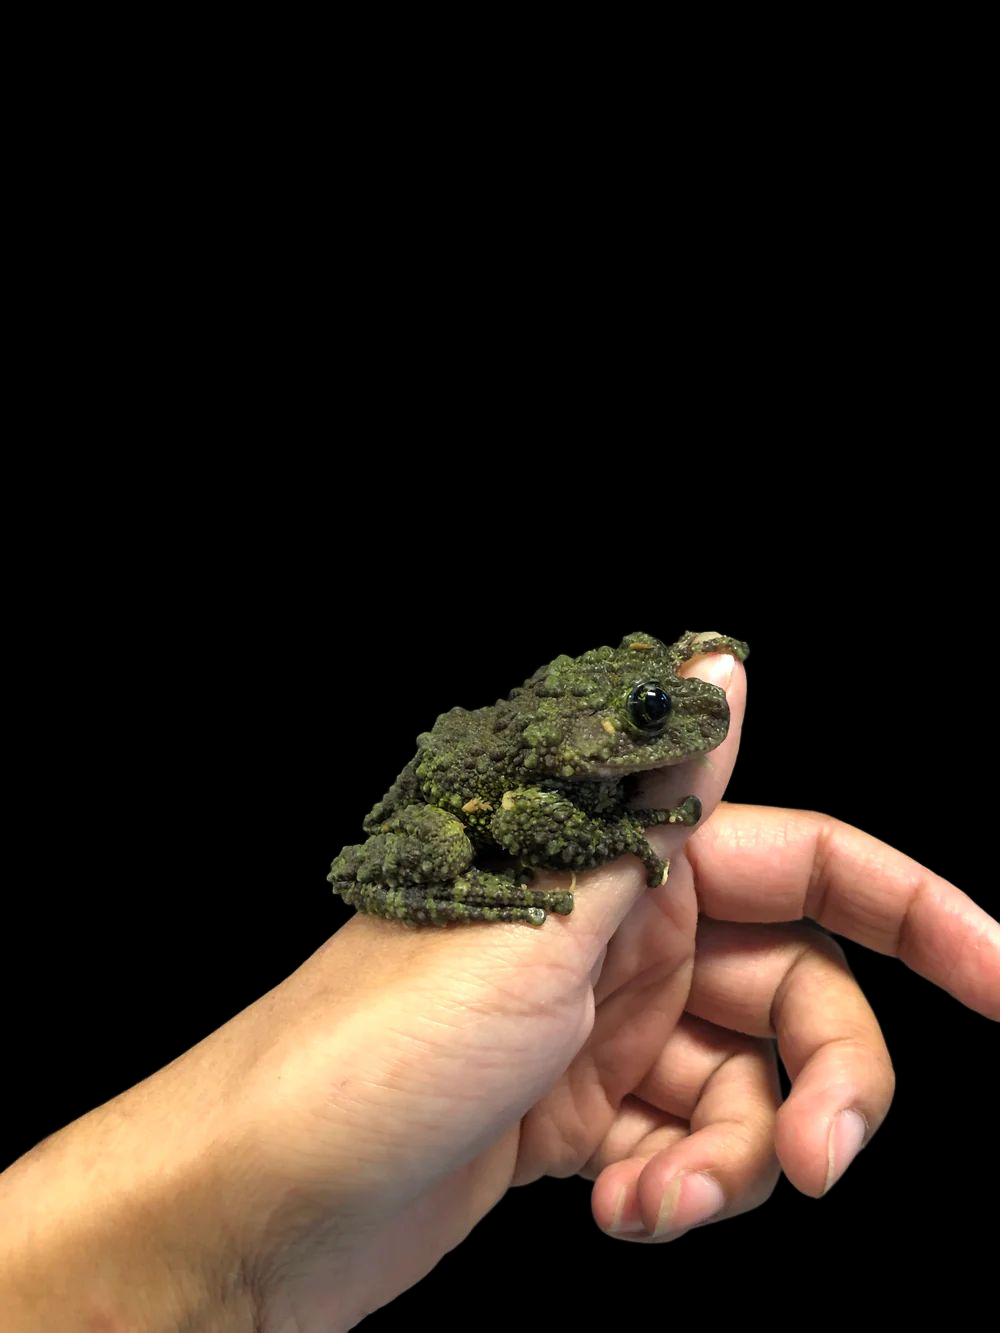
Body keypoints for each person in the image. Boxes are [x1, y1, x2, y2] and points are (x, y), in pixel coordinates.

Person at [2, 649, 997, 1331]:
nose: (685, 722)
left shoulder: (586, 716)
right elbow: (521, 818)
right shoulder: (546, 769)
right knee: (442, 841)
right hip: (446, 805)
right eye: (650, 713)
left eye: (661, 684)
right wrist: (616, 839)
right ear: (607, 729)